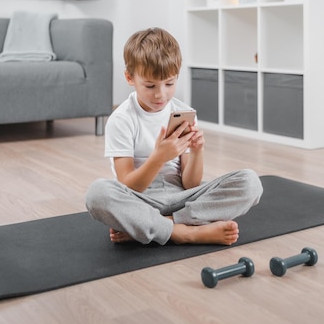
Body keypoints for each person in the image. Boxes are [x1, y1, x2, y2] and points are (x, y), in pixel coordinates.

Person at [85, 27, 263, 245]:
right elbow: (129, 187)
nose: (161, 94)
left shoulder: (183, 112)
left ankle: (159, 225)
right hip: (140, 200)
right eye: (150, 85)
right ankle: (186, 232)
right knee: (98, 194)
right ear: (129, 78)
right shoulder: (121, 119)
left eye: (169, 83)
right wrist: (158, 158)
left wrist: (197, 152)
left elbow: (190, 184)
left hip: (182, 200)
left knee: (251, 183)